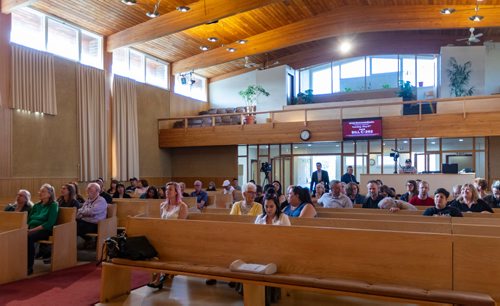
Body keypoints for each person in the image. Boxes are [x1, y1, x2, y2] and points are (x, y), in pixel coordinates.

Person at [148, 182, 188, 289]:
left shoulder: (182, 206)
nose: (167, 191)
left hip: (176, 238)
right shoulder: (162, 205)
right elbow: (161, 223)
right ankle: (158, 277)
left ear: (176, 192)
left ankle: (158, 278)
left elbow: (181, 227)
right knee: (152, 247)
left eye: (170, 189)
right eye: (166, 189)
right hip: (163, 236)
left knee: (162, 249)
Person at [27, 184, 59, 275]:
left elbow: (49, 223)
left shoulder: (53, 205)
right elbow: (29, 219)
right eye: (40, 191)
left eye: (43, 191)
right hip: (32, 229)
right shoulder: (36, 205)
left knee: (29, 237)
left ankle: (29, 267)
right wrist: (26, 228)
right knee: (16, 235)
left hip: (45, 230)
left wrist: (31, 231)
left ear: (49, 194)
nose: (40, 193)